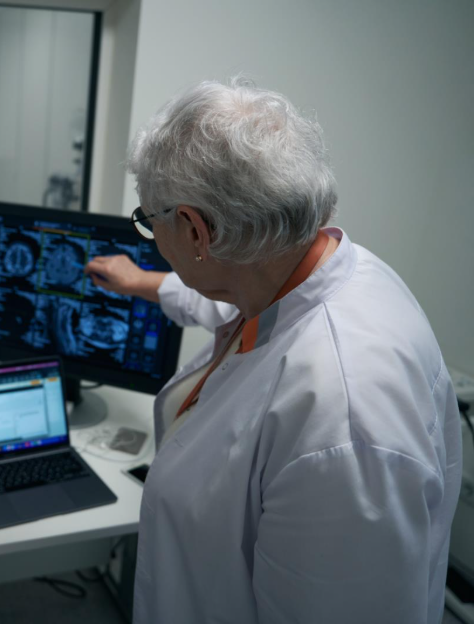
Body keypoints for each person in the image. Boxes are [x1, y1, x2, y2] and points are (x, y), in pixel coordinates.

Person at [86, 78, 462, 623]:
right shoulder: (303, 266)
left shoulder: (344, 419)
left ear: (195, 232)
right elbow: (232, 302)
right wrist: (143, 282)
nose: (151, 235)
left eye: (149, 221)